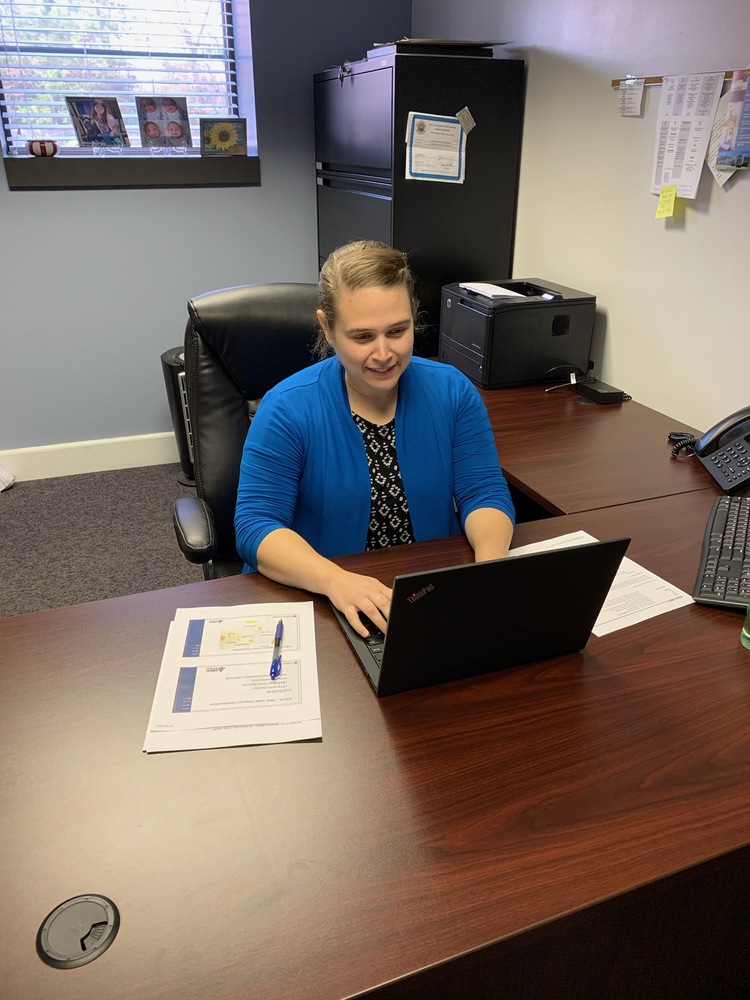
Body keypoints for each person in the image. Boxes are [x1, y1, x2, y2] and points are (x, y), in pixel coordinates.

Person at [234, 240, 515, 637]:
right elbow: (255, 525)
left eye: (397, 331)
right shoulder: (287, 408)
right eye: (362, 337)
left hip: (427, 594)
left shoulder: (452, 391)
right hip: (320, 598)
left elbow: (483, 492)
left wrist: (489, 567)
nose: (384, 353)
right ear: (327, 329)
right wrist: (336, 581)